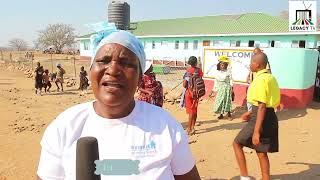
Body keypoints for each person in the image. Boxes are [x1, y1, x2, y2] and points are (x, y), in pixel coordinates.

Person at [37, 23, 200, 180]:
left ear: (139, 79)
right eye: (103, 61)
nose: (113, 70)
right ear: (91, 71)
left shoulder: (165, 126)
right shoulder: (65, 126)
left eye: (126, 63)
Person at [233, 53, 280, 180]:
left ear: (257, 65)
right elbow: (270, 102)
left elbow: (262, 105)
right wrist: (250, 112)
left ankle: (244, 177)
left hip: (260, 118)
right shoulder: (271, 77)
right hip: (269, 116)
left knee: (237, 143)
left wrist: (256, 131)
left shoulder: (260, 80)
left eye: (252, 62)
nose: (250, 64)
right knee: (261, 152)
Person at [241, 48, 271, 121]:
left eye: (256, 53)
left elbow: (269, 72)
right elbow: (251, 70)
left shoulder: (264, 62)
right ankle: (250, 114)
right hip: (252, 82)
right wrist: (248, 76)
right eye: (254, 53)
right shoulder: (253, 60)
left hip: (260, 83)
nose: (255, 54)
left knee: (259, 101)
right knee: (250, 98)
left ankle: (256, 116)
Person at [183, 56, 203, 135]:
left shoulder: (188, 71)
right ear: (195, 62)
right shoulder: (199, 70)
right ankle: (193, 127)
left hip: (189, 93)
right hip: (197, 93)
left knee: (191, 111)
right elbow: (200, 79)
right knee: (195, 110)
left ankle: (188, 129)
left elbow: (184, 85)